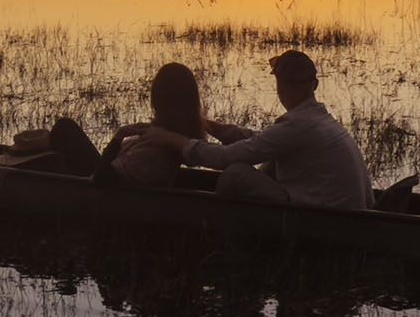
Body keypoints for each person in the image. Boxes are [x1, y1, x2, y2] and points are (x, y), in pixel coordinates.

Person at [136, 50, 373, 210]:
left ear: (279, 85)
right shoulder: (314, 118)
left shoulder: (300, 125)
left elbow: (224, 158)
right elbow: (258, 141)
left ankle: (219, 232)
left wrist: (171, 139)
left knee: (234, 173)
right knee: (267, 163)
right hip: (337, 206)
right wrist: (209, 125)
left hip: (324, 216)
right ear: (315, 85)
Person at [105, 63, 208, 187]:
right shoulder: (172, 136)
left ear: (157, 99)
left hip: (103, 186)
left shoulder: (154, 149)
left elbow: (101, 179)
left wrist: (119, 136)